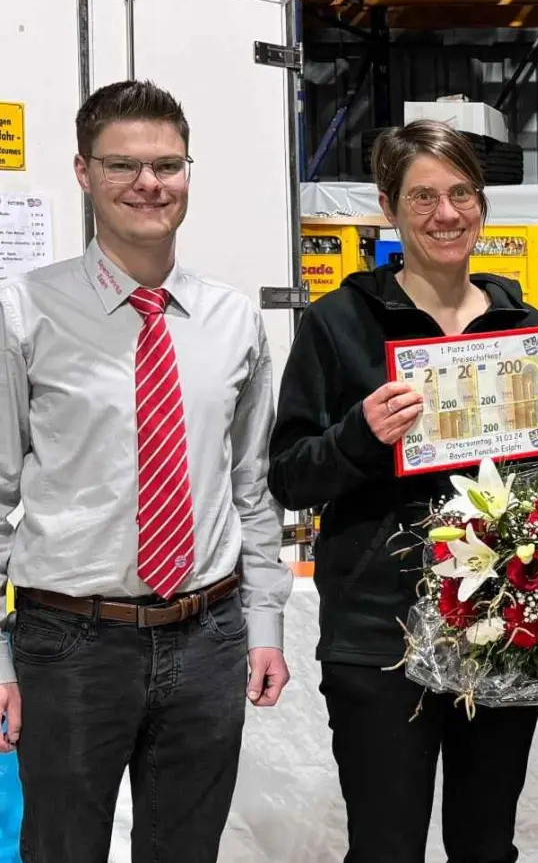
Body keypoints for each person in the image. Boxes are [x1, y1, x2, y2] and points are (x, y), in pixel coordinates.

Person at [267, 120, 538, 863]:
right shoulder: (337, 325)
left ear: (480, 204)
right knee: (386, 848)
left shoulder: (523, 327)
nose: (446, 215)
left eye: (460, 194)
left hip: (506, 627)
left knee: (486, 846)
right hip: (380, 637)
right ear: (388, 207)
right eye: (422, 198)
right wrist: (360, 435)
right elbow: (290, 474)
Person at [0, 79, 292, 861]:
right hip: (69, 642)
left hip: (208, 635)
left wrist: (265, 623)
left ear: (188, 172)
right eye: (123, 165)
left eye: (167, 165)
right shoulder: (23, 312)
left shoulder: (233, 320)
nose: (148, 184)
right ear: (83, 173)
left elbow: (249, 489)